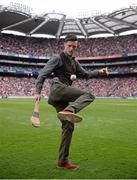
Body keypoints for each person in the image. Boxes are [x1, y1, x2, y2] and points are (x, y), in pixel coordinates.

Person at [33, 34, 108, 169]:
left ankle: (62, 161)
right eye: (70, 46)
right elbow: (42, 74)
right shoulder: (57, 58)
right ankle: (70, 110)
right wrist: (37, 91)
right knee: (89, 95)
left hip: (61, 96)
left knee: (68, 126)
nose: (72, 49)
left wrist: (99, 72)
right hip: (58, 89)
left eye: (74, 46)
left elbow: (85, 74)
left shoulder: (74, 62)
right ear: (64, 44)